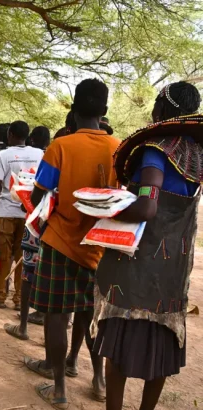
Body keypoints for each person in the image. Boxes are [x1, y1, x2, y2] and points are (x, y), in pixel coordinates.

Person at [93, 82, 202, 410]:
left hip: (139, 264)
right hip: (173, 268)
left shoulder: (155, 151)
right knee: (162, 345)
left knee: (120, 346)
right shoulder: (196, 156)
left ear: (162, 109)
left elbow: (146, 207)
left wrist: (107, 205)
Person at [26, 79, 119, 409]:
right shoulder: (120, 149)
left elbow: (39, 194)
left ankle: (60, 389)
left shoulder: (60, 147)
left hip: (61, 242)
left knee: (55, 315)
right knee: (89, 317)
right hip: (100, 248)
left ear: (73, 109)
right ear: (104, 112)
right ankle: (98, 379)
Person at [0, 121, 44, 310]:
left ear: (10, 134)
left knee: (4, 255)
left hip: (6, 211)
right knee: (22, 257)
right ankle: (19, 299)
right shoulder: (39, 154)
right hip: (29, 213)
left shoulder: (3, 155)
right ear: (28, 136)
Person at [4, 126, 50, 340]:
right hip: (75, 232)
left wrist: (26, 202)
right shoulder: (112, 148)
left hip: (38, 222)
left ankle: (22, 325)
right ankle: (65, 355)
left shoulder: (55, 154)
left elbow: (37, 194)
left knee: (27, 268)